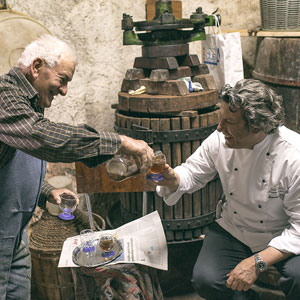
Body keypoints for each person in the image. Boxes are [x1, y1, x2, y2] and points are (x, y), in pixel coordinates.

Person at [0, 34, 154, 300]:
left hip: (16, 236)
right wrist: (119, 142)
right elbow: (43, 138)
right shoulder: (5, 98)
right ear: (37, 67)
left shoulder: (27, 103)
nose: (64, 91)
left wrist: (46, 191)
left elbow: (12, 160)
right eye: (63, 80)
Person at [155, 79, 300, 300]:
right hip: (236, 227)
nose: (219, 128)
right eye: (220, 119)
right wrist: (172, 178)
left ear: (257, 125)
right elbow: (192, 173)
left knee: (298, 276)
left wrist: (256, 262)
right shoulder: (220, 140)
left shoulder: (293, 156)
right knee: (206, 279)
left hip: (282, 232)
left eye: (229, 122)